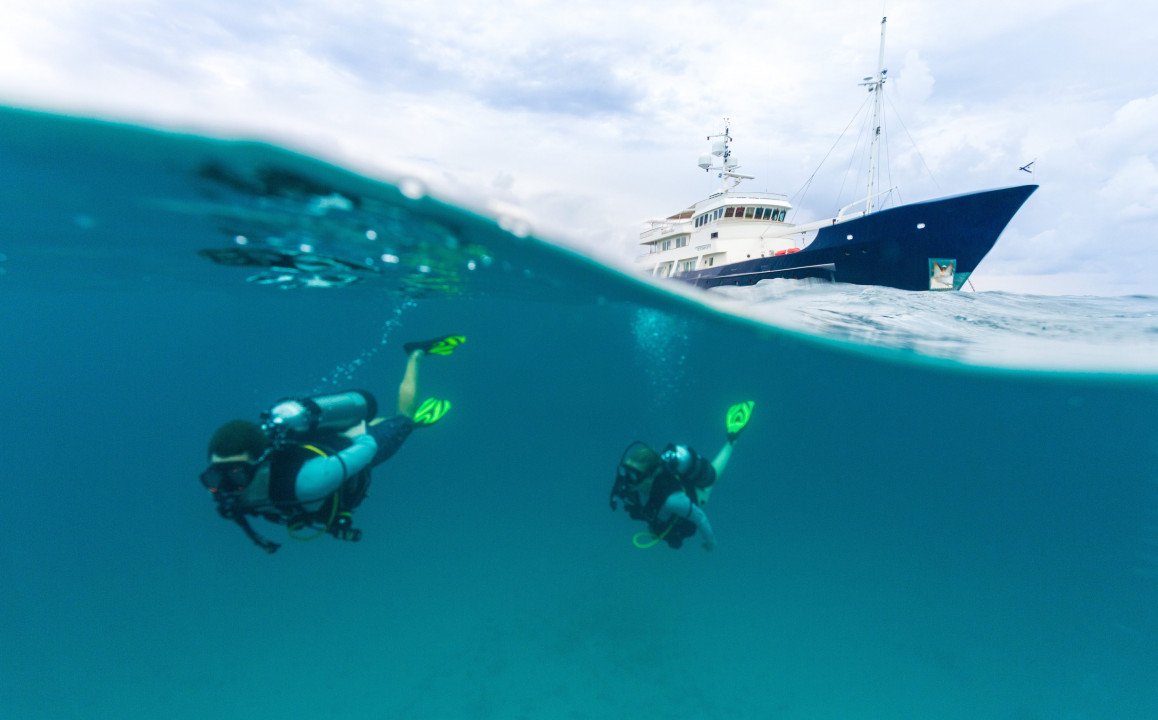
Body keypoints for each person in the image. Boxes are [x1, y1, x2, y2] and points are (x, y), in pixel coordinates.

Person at [200, 335, 464, 553]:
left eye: (236, 474)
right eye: (214, 477)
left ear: (259, 464)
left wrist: (361, 433)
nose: (225, 487)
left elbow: (368, 449)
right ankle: (377, 423)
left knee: (403, 419)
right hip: (321, 447)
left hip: (353, 448)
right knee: (375, 426)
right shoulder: (230, 489)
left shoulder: (311, 480)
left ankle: (415, 354)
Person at [609, 401, 754, 551]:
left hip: (696, 495)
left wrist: (710, 543)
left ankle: (732, 439)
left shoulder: (672, 500)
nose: (627, 479)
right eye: (626, 471)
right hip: (664, 502)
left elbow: (700, 518)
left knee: (712, 479)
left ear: (650, 475)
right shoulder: (630, 482)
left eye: (634, 475)